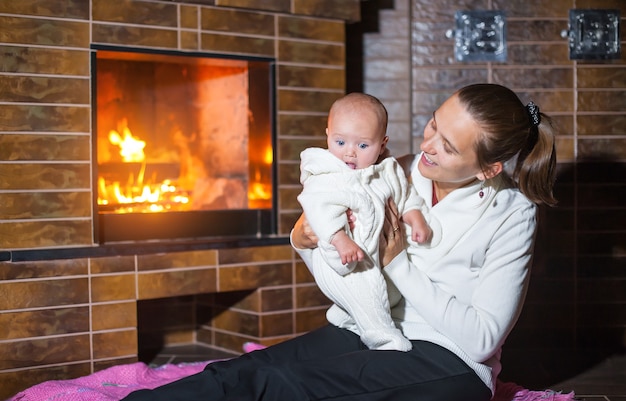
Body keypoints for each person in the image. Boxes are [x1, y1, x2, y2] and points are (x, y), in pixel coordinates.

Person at [122, 83, 557, 401]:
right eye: (432, 125)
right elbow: (347, 266)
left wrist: (398, 262)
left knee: (282, 389)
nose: (426, 146)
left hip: (448, 362)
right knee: (244, 372)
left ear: (488, 169)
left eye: (447, 146)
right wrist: (304, 239)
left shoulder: (513, 214)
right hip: (370, 328)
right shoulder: (392, 172)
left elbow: (482, 339)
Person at [297, 92, 438, 352]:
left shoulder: (387, 171)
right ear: (328, 134)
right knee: (366, 293)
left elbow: (404, 196)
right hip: (340, 259)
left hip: (374, 255)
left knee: (382, 294)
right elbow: (318, 208)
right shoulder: (327, 173)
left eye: (362, 146)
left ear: (382, 144)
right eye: (339, 141)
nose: (349, 153)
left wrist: (415, 218)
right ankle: (385, 340)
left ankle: (347, 317)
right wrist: (340, 240)